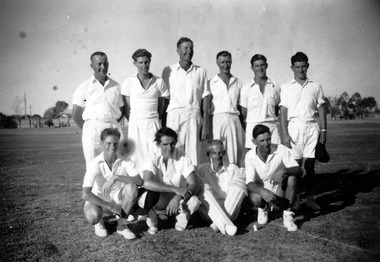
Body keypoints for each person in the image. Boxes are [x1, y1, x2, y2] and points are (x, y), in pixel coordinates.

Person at [82, 128, 159, 239]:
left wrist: (116, 177)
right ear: (101, 144)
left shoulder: (125, 159)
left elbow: (139, 181)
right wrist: (110, 207)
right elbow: (85, 194)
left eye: (115, 144)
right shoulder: (95, 163)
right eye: (108, 144)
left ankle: (121, 225)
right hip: (99, 199)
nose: (112, 147)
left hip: (117, 197)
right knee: (93, 216)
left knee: (132, 188)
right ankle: (100, 222)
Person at [279, 52, 327, 211]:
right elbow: (283, 112)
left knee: (310, 166)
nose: (301, 70)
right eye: (297, 67)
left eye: (303, 66)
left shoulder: (316, 86)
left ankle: (310, 198)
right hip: (294, 129)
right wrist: (284, 133)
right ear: (292, 68)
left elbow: (321, 109)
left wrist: (324, 130)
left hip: (312, 128)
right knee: (296, 167)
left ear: (308, 66)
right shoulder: (286, 87)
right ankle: (296, 198)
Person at [162, 37, 210, 166]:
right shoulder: (168, 71)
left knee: (193, 157)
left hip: (194, 116)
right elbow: (164, 98)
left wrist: (205, 125)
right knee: (174, 154)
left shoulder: (201, 71)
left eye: (191, 48)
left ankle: (193, 185)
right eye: (185, 48)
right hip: (174, 117)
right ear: (178, 51)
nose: (189, 51)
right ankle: (174, 185)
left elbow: (205, 97)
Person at [72, 51, 124, 169]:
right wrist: (89, 128)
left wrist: (110, 123)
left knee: (117, 164)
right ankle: (95, 188)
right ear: (92, 66)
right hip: (93, 130)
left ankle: (117, 187)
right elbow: (76, 114)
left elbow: (121, 109)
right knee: (93, 165)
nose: (103, 67)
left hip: (113, 127)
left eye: (105, 64)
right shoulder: (84, 86)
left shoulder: (116, 86)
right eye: (99, 64)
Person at [142, 127, 201, 231]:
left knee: (194, 201)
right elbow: (146, 182)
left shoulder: (183, 157)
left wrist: (177, 196)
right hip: (159, 198)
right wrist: (175, 189)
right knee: (145, 196)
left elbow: (194, 184)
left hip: (179, 197)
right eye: (165, 144)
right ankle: (154, 221)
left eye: (172, 143)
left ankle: (179, 220)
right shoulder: (151, 156)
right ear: (158, 145)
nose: (169, 148)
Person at [245, 124, 302, 231]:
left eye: (268, 139)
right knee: (254, 198)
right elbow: (249, 183)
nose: (266, 144)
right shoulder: (249, 156)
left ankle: (288, 215)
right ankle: (263, 209)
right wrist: (262, 191)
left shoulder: (281, 149)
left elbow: (299, 170)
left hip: (278, 190)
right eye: (261, 141)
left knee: (292, 178)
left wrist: (284, 170)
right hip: (262, 191)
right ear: (254, 142)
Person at [121, 49, 169, 173]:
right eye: (141, 62)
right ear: (135, 63)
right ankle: (139, 188)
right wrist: (136, 120)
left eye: (146, 62)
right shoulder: (128, 82)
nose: (144, 66)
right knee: (136, 156)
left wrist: (153, 118)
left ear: (150, 62)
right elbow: (127, 108)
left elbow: (162, 107)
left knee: (155, 154)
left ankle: (156, 186)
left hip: (153, 123)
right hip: (135, 124)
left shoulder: (159, 82)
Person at [197, 140, 247, 236]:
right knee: (203, 189)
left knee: (239, 184)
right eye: (214, 153)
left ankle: (217, 224)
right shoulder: (202, 169)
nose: (218, 156)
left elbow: (240, 191)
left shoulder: (232, 168)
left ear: (224, 153)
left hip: (230, 208)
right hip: (209, 210)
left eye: (220, 152)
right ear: (209, 155)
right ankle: (225, 224)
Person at [209, 51, 245, 166]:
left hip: (234, 118)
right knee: (216, 153)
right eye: (222, 62)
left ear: (231, 62)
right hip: (217, 119)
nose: (225, 65)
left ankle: (235, 179)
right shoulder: (210, 83)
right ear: (217, 63)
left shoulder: (238, 82)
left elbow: (241, 106)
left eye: (228, 62)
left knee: (235, 154)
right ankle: (215, 180)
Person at [240, 54, 281, 149]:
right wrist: (250, 130)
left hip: (271, 127)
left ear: (266, 66)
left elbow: (276, 108)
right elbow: (243, 114)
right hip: (253, 126)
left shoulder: (275, 86)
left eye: (262, 65)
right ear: (252, 68)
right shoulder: (246, 88)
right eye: (257, 66)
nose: (260, 68)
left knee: (275, 156)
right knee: (254, 159)